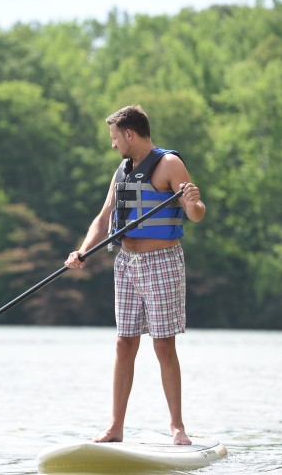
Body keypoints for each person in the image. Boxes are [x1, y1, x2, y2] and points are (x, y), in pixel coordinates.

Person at [64, 105, 205, 445]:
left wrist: (193, 202)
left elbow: (196, 214)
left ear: (130, 134)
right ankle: (115, 428)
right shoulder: (122, 171)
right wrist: (82, 250)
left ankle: (177, 427)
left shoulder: (169, 164)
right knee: (124, 343)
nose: (113, 145)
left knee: (162, 344)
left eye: (115, 138)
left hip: (162, 261)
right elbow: (103, 218)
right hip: (126, 264)